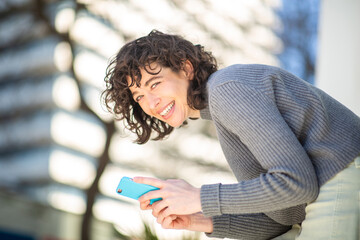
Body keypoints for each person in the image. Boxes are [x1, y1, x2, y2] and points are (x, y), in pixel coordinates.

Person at [102, 30, 360, 240]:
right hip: (321, 191)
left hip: (342, 170)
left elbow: (297, 183)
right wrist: (198, 219)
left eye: (155, 84)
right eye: (139, 97)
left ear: (186, 68)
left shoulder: (226, 89)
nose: (151, 103)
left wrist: (197, 196)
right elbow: (282, 218)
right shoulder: (217, 110)